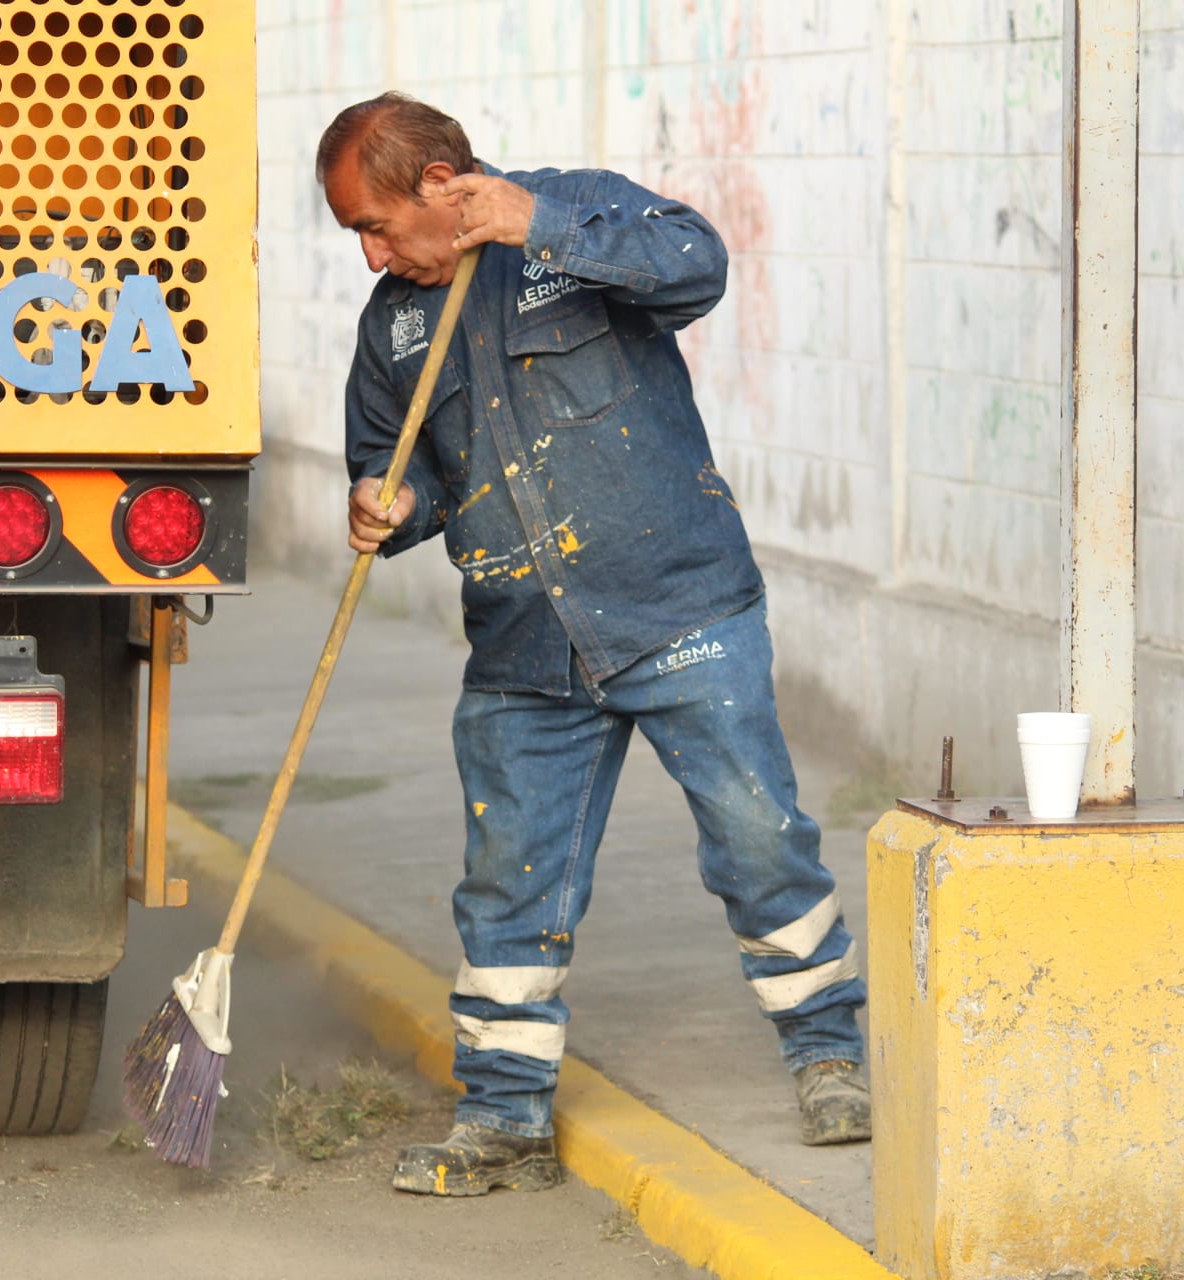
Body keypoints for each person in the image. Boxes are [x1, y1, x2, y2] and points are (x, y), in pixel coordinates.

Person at [316, 93, 870, 1198]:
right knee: (509, 886)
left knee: (760, 842)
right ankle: (503, 1118)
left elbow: (697, 266)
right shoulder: (396, 327)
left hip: (680, 610)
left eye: (375, 225)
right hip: (526, 650)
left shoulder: (580, 219)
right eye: (358, 238)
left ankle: (830, 1055)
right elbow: (396, 460)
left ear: (438, 187)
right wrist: (386, 499)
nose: (371, 253)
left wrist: (543, 225)